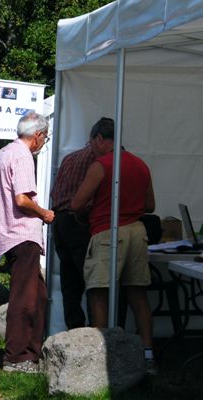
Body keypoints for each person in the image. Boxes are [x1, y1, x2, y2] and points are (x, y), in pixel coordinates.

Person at [70, 119, 157, 374]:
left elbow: (76, 204)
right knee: (137, 295)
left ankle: (101, 357)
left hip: (108, 232)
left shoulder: (101, 165)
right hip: (137, 232)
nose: (92, 148)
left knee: (99, 293)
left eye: (92, 143)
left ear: (99, 139)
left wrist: (93, 207)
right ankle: (148, 353)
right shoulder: (141, 164)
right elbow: (150, 205)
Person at [0, 112, 55, 374]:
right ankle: (17, 358)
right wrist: (44, 213)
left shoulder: (4, 152)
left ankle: (30, 352)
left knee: (37, 295)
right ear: (38, 135)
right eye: (45, 138)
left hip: (9, 232)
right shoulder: (23, 156)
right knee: (24, 298)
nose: (43, 143)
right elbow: (22, 200)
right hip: (22, 234)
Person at [50, 118, 113, 330]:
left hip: (59, 221)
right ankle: (95, 334)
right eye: (111, 143)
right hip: (78, 223)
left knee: (70, 284)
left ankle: (74, 331)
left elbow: (55, 192)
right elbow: (87, 201)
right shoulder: (96, 161)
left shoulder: (70, 158)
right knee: (92, 281)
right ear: (98, 139)